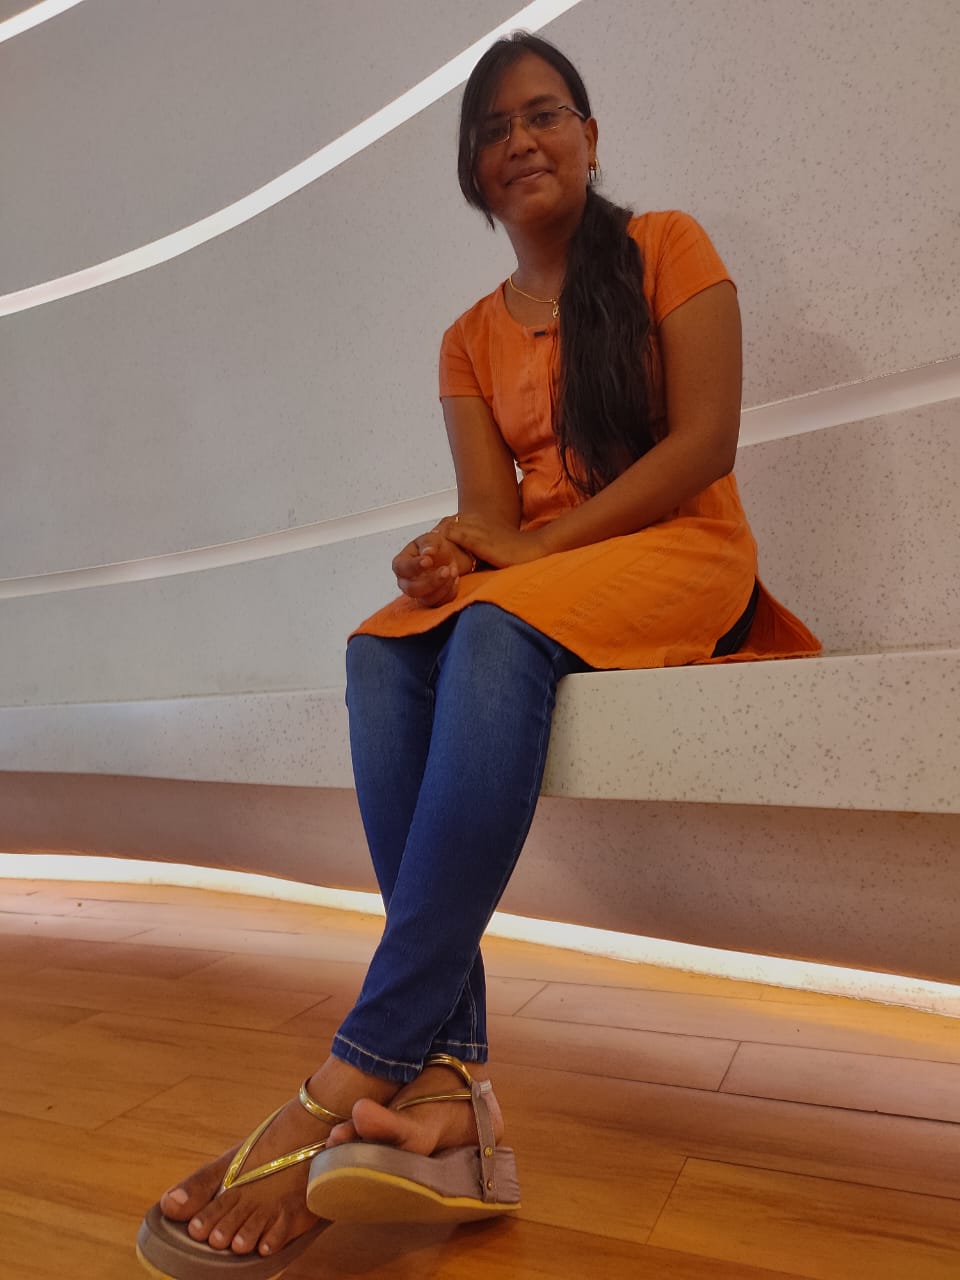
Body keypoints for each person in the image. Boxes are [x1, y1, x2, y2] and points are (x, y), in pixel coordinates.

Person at [137, 30, 819, 1280]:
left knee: (499, 625)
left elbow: (705, 444)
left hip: (681, 550)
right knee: (382, 647)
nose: (521, 140)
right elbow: (492, 525)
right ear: (473, 172)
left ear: (590, 136)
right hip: (546, 581)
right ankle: (449, 1082)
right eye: (494, 130)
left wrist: (521, 562)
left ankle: (353, 1072)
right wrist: (446, 559)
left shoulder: (669, 246)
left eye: (544, 114)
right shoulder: (466, 338)